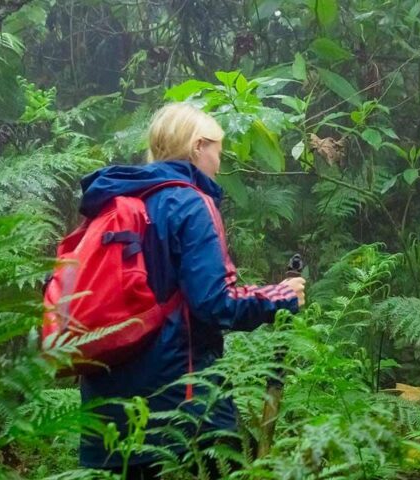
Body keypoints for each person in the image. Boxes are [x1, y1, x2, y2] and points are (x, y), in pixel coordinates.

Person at [76, 103, 306, 478]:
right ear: (199, 147)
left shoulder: (114, 203)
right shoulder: (190, 203)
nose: (220, 159)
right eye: (218, 148)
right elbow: (215, 303)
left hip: (106, 411)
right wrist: (281, 297)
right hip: (179, 407)